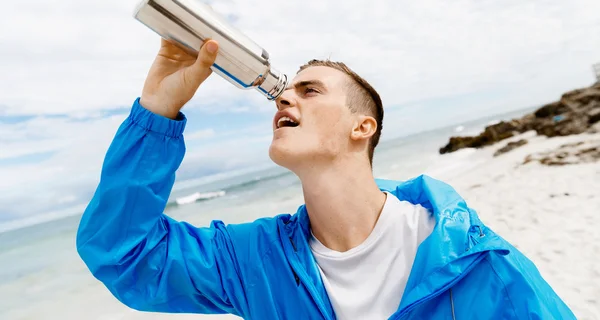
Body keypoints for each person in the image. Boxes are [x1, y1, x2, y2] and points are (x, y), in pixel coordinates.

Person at [76, 38, 575, 319]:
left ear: (364, 127)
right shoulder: (256, 260)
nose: (283, 99)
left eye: (310, 90)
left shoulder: (476, 263)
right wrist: (158, 111)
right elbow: (125, 255)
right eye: (284, 91)